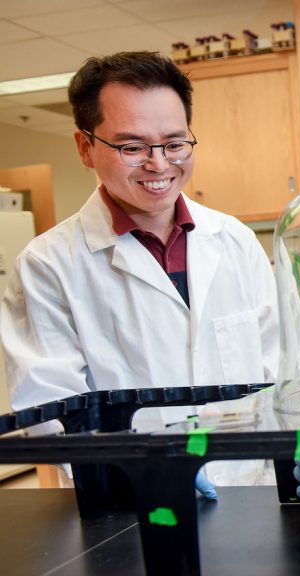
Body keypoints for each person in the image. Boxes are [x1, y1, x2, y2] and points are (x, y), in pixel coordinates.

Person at [0, 52, 281, 499]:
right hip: (131, 509)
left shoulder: (235, 240)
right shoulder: (47, 266)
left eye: (174, 143)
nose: (159, 164)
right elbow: (50, 413)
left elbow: (281, 368)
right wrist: (144, 469)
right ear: (85, 147)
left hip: (253, 496)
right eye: (132, 147)